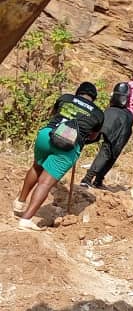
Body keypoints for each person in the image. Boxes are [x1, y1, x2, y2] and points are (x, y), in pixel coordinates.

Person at [13, 82, 104, 231]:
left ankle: (19, 202)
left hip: (46, 135)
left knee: (37, 167)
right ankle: (26, 219)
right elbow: (93, 135)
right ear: (93, 98)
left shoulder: (66, 97)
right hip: (68, 144)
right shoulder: (98, 113)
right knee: (45, 183)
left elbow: (53, 114)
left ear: (78, 92)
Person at [81, 65, 133, 189]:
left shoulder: (127, 84)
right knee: (112, 150)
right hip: (124, 118)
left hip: (109, 113)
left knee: (99, 142)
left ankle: (91, 179)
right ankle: (92, 180)